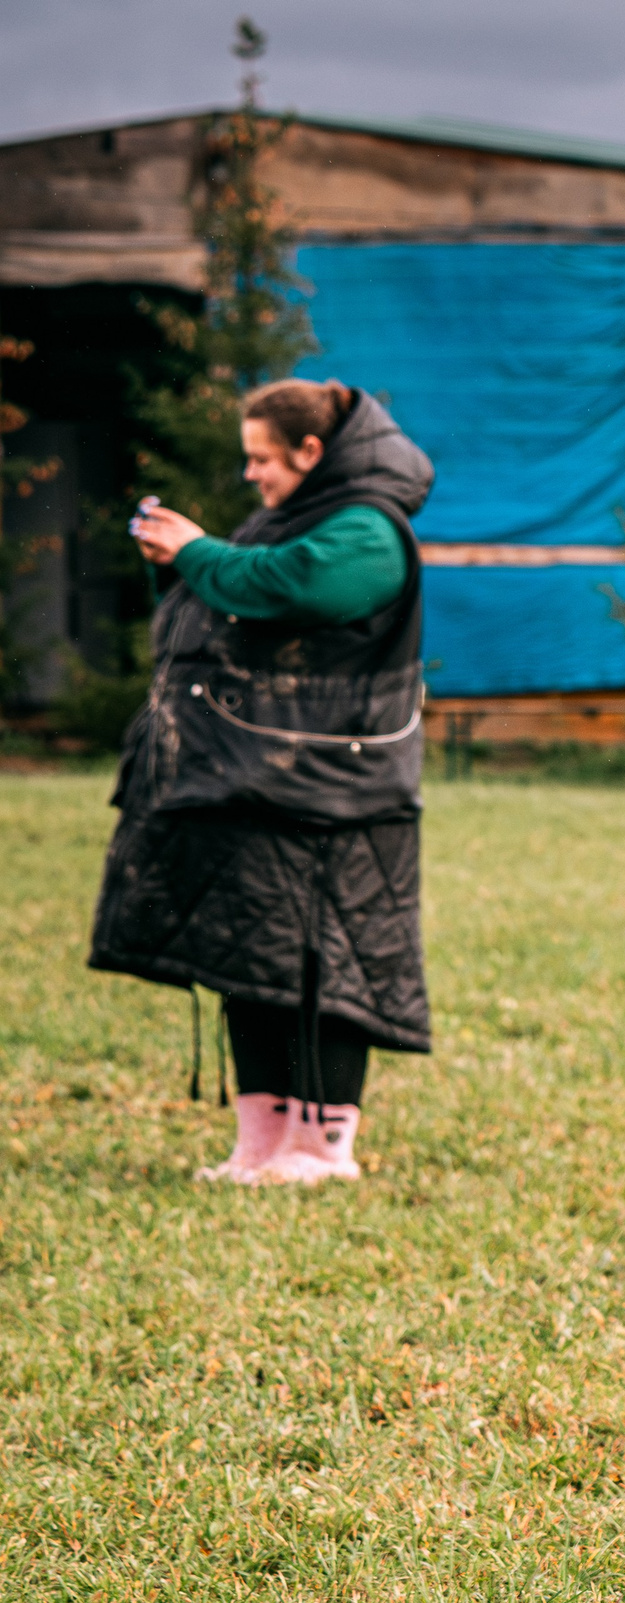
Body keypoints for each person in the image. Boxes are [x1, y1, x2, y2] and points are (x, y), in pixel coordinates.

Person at [93, 378, 436, 1185]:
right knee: (249, 959)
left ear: (310, 451)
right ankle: (259, 1145)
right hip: (257, 779)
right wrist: (184, 563)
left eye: (261, 458)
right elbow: (233, 600)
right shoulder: (295, 517)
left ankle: (322, 1151)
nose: (251, 474)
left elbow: (290, 587)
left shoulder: (367, 529)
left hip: (334, 794)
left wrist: (196, 551)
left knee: (327, 967)